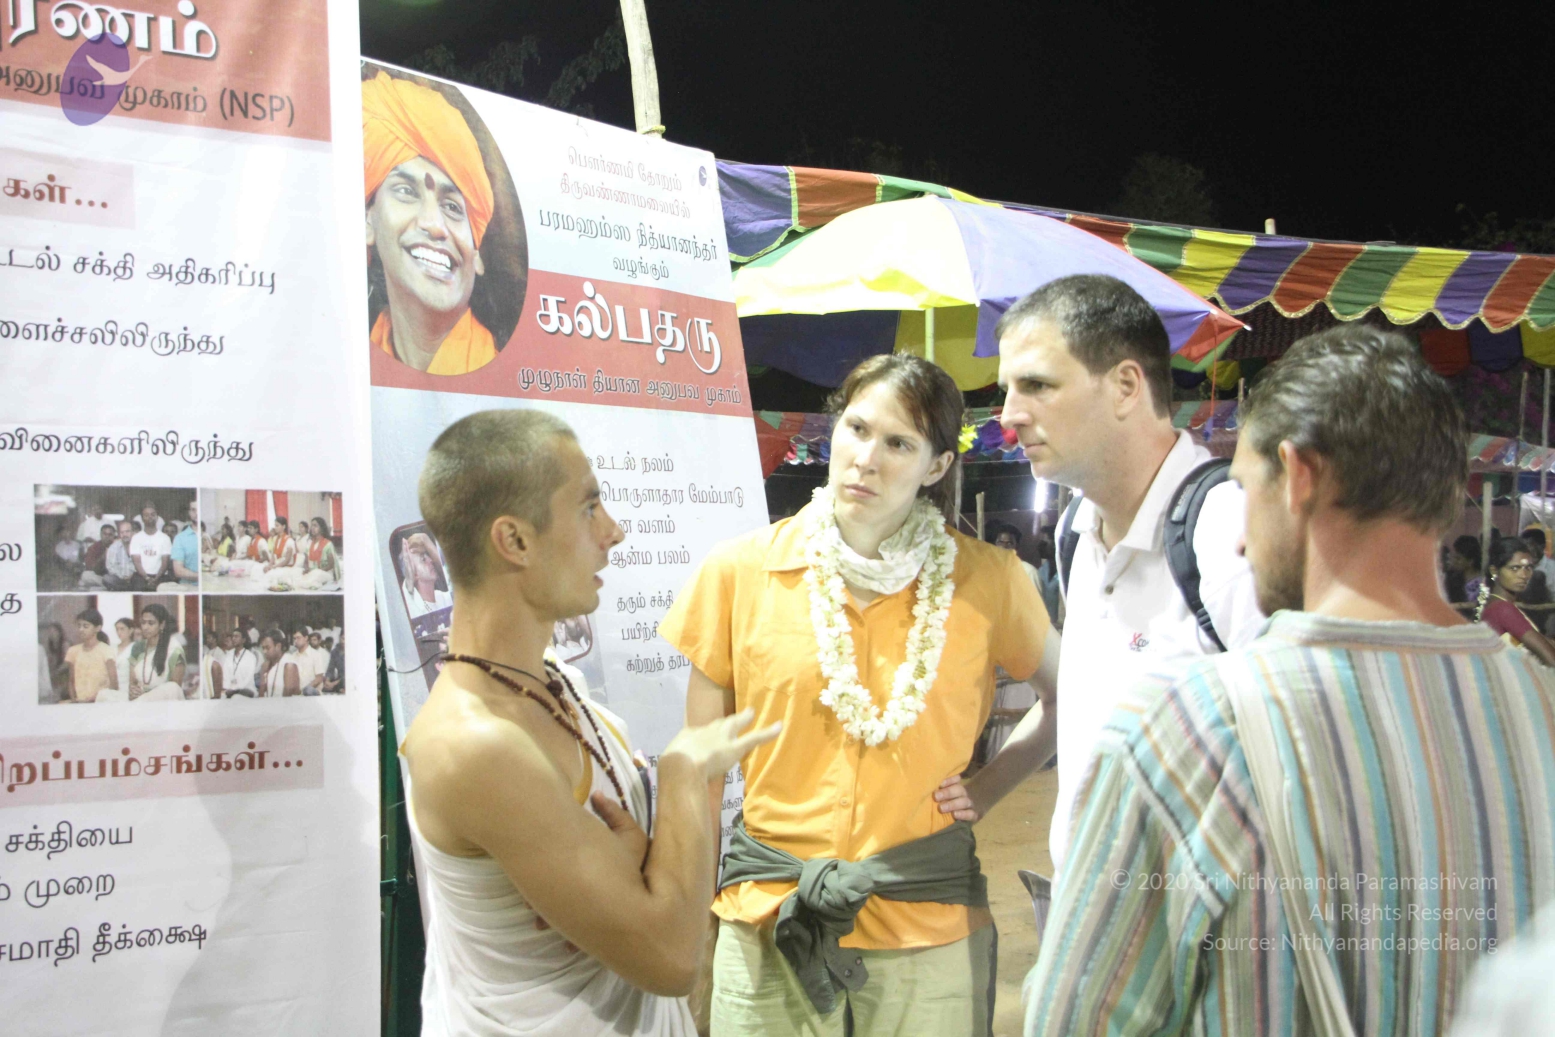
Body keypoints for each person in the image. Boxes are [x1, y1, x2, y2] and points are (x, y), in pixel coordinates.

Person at [1023, 326, 1555, 1037]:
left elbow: (1077, 1020)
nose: (1241, 539)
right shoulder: (1539, 706)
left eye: (1244, 488)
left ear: (1298, 476)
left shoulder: (1183, 727)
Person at [661, 354, 1058, 1036]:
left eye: (899, 443)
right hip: (768, 920)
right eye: (857, 428)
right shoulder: (737, 572)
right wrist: (694, 925)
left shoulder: (990, 579)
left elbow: (1068, 697)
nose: (866, 459)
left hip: (929, 926)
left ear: (936, 466)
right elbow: (701, 772)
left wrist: (988, 788)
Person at [401, 408, 780, 1037]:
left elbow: (650, 913)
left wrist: (636, 874)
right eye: (588, 508)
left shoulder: (553, 680)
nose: (614, 532)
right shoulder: (474, 744)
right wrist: (684, 775)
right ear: (515, 541)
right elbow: (670, 957)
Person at [983, 274, 1263, 875]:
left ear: (1126, 386)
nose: (1009, 417)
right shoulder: (1074, 531)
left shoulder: (1228, 534)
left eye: (1037, 385)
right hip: (1085, 908)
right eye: (1008, 390)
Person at [363, 71, 498, 376]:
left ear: (477, 254)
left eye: (452, 207)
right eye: (406, 192)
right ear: (368, 223)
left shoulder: (509, 382)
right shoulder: (352, 372)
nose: (434, 225)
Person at [1475, 535, 1555, 666]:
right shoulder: (1502, 609)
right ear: (1494, 571)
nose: (1524, 575)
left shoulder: (1498, 605)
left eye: (1528, 568)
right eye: (1514, 568)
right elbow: (1551, 659)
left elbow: (1546, 643)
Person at [127, 604, 186, 701]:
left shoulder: (174, 649)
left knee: (172, 687)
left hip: (164, 703)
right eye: (143, 623)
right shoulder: (137, 647)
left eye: (151, 623)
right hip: (139, 701)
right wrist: (133, 692)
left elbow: (174, 689)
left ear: (162, 625)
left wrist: (147, 696)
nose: (145, 627)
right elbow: (132, 682)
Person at [64, 608, 115, 703]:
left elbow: (114, 685)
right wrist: (74, 700)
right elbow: (71, 681)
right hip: (79, 703)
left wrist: (95, 698)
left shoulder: (106, 650)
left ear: (98, 628)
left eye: (85, 626)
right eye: (79, 626)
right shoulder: (73, 651)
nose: (81, 629)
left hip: (101, 703)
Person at [400, 532, 453, 616]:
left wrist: (426, 540)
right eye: (423, 559)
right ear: (414, 575)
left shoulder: (443, 597)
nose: (431, 560)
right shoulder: (414, 608)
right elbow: (408, 591)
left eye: (428, 556)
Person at [129, 513, 173, 591]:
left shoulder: (165, 538)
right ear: (142, 519)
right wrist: (147, 578)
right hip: (141, 576)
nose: (150, 517)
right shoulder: (136, 538)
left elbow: (165, 562)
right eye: (146, 515)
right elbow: (137, 562)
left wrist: (156, 579)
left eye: (152, 515)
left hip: (161, 576)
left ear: (157, 518)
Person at [258, 629, 299, 697]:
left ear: (278, 646)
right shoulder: (265, 665)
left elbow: (288, 698)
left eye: (267, 648)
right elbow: (261, 695)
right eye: (263, 648)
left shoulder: (289, 664)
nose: (264, 651)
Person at [302, 517, 343, 586]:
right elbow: (306, 561)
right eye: (312, 525)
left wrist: (318, 570)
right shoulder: (309, 543)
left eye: (315, 526)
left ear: (321, 528)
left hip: (325, 573)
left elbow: (331, 564)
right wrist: (306, 569)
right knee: (298, 573)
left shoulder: (327, 544)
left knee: (315, 575)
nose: (312, 528)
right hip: (312, 572)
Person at [1444, 533, 1482, 604]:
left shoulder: (1483, 582)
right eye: (1454, 557)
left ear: (1470, 561)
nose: (1454, 561)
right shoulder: (1451, 578)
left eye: (1458, 559)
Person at [221, 628, 259, 698]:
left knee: (236, 697)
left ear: (243, 640)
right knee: (221, 696)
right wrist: (227, 688)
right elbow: (225, 674)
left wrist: (235, 689)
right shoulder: (228, 655)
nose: (233, 639)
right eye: (233, 636)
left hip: (247, 689)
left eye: (236, 636)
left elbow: (248, 678)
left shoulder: (250, 656)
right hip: (230, 689)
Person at [78, 522, 117, 588]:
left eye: (110, 534)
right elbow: (90, 568)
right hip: (100, 577)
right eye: (105, 534)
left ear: (114, 536)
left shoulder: (118, 546)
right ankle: (108, 586)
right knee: (85, 575)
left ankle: (108, 586)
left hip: (115, 577)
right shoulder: (94, 547)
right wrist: (104, 556)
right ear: (100, 535)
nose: (107, 537)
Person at [170, 501, 200, 586]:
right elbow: (178, 571)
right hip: (189, 587)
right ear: (189, 513)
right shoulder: (180, 538)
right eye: (193, 510)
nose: (197, 513)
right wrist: (202, 577)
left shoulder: (208, 536)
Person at [285, 628, 321, 695]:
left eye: (298, 638)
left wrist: (304, 691)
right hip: (296, 695)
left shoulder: (316, 655)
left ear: (306, 638)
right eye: (294, 638)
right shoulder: (292, 656)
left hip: (311, 695)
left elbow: (319, 678)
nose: (296, 641)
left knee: (308, 690)